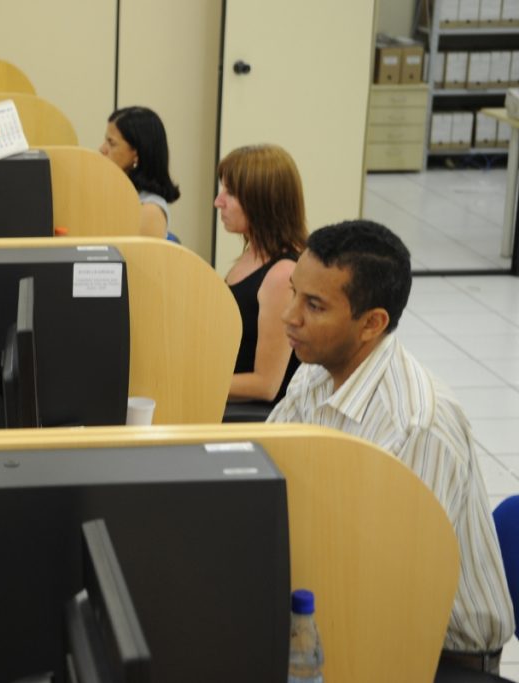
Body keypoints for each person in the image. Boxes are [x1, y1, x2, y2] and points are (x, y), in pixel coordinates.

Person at [268, 219, 514, 674]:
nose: (290, 316)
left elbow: (395, 596)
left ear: (372, 324)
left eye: (314, 305)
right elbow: (266, 468)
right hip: (339, 601)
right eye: (294, 293)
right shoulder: (313, 371)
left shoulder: (417, 426)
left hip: (436, 653)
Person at [216, 144, 306, 410]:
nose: (218, 202)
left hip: (252, 416)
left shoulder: (282, 275)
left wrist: (192, 380)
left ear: (261, 202)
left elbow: (266, 385)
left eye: (229, 193)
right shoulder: (253, 254)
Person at [99, 106, 181, 241]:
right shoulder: (116, 193)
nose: (102, 149)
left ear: (137, 153)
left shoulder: (150, 211)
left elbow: (142, 261)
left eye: (111, 143)